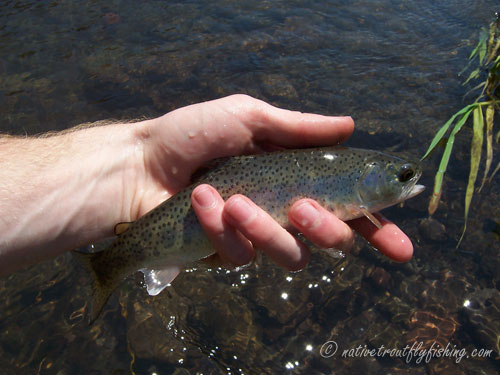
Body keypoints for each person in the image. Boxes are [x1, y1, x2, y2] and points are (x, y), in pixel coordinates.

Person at [0, 94, 413, 277]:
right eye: (402, 176)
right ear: (365, 178)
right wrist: (142, 158)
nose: (408, 181)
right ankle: (106, 265)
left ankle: (113, 263)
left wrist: (137, 160)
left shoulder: (350, 176)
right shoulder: (352, 180)